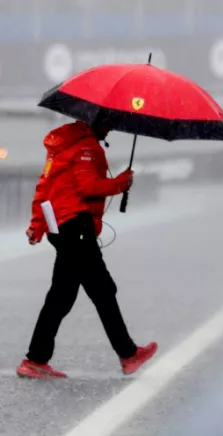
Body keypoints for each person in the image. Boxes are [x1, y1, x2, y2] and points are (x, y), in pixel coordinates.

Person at [16, 120, 157, 379]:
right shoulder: (87, 147)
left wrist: (37, 224)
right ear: (97, 122)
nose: (111, 128)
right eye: (108, 123)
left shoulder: (62, 146)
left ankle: (36, 359)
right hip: (77, 227)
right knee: (102, 291)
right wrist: (121, 183)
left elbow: (44, 186)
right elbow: (88, 187)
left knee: (62, 296)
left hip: (60, 227)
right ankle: (128, 354)